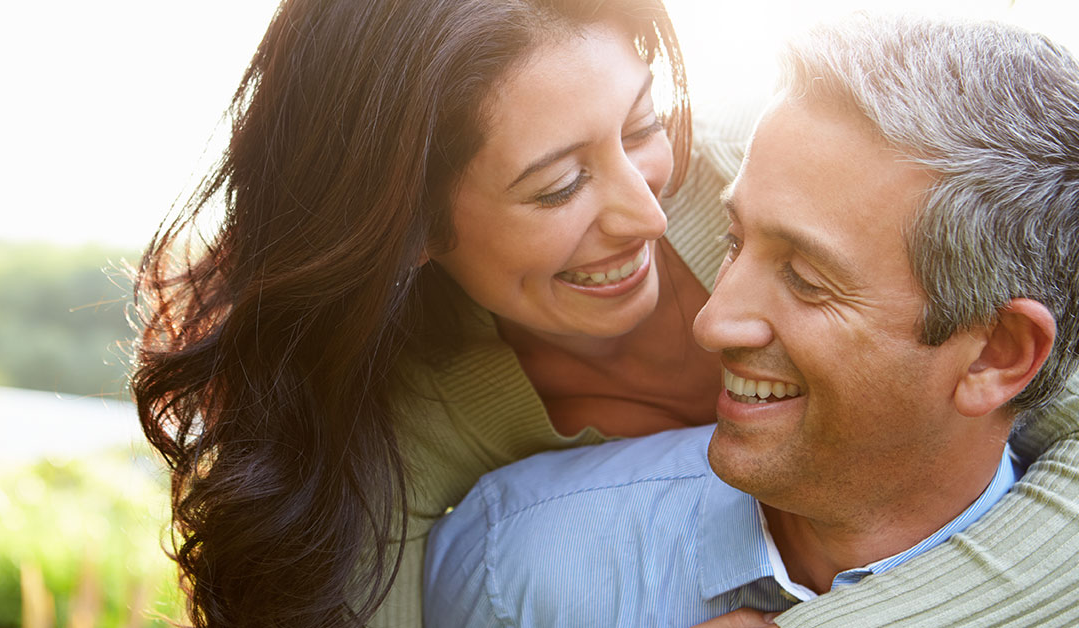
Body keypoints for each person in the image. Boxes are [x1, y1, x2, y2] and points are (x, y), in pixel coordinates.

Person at [129, 1, 1079, 626]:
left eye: (641, 127)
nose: (648, 211)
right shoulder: (411, 419)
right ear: (411, 225)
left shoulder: (811, 179)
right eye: (560, 185)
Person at [424, 13, 1079, 627]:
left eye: (806, 278)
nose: (709, 324)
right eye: (733, 240)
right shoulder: (511, 568)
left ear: (996, 354)